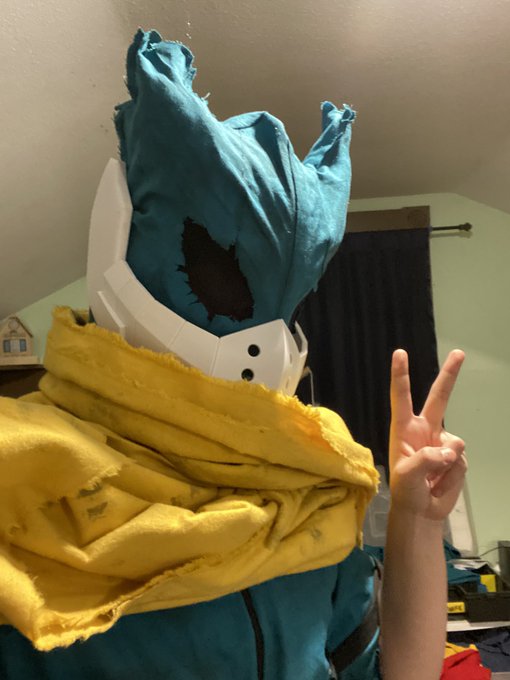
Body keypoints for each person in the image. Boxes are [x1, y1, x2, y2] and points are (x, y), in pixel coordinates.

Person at [0, 30, 466, 680]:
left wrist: (415, 518)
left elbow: (394, 673)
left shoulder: (310, 492)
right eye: (215, 277)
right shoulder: (19, 479)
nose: (256, 345)